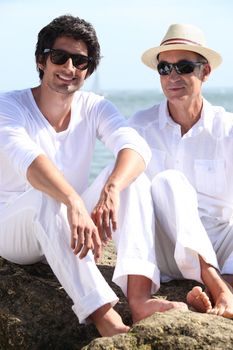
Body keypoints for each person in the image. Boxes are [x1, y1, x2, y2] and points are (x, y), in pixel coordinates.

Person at [0, 15, 187, 337]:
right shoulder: (9, 105)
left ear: (89, 69)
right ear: (40, 60)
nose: (69, 67)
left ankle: (139, 296)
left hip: (63, 223)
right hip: (15, 229)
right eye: (59, 56)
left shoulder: (94, 106)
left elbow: (135, 146)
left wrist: (112, 188)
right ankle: (103, 314)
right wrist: (73, 200)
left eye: (81, 61)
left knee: (133, 180)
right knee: (48, 195)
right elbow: (28, 160)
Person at [129, 23, 233, 318]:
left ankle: (220, 283)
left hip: (218, 244)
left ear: (206, 72)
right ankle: (218, 286)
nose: (172, 77)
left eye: (184, 66)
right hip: (165, 248)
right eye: (164, 68)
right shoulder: (140, 126)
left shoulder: (227, 130)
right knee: (169, 182)